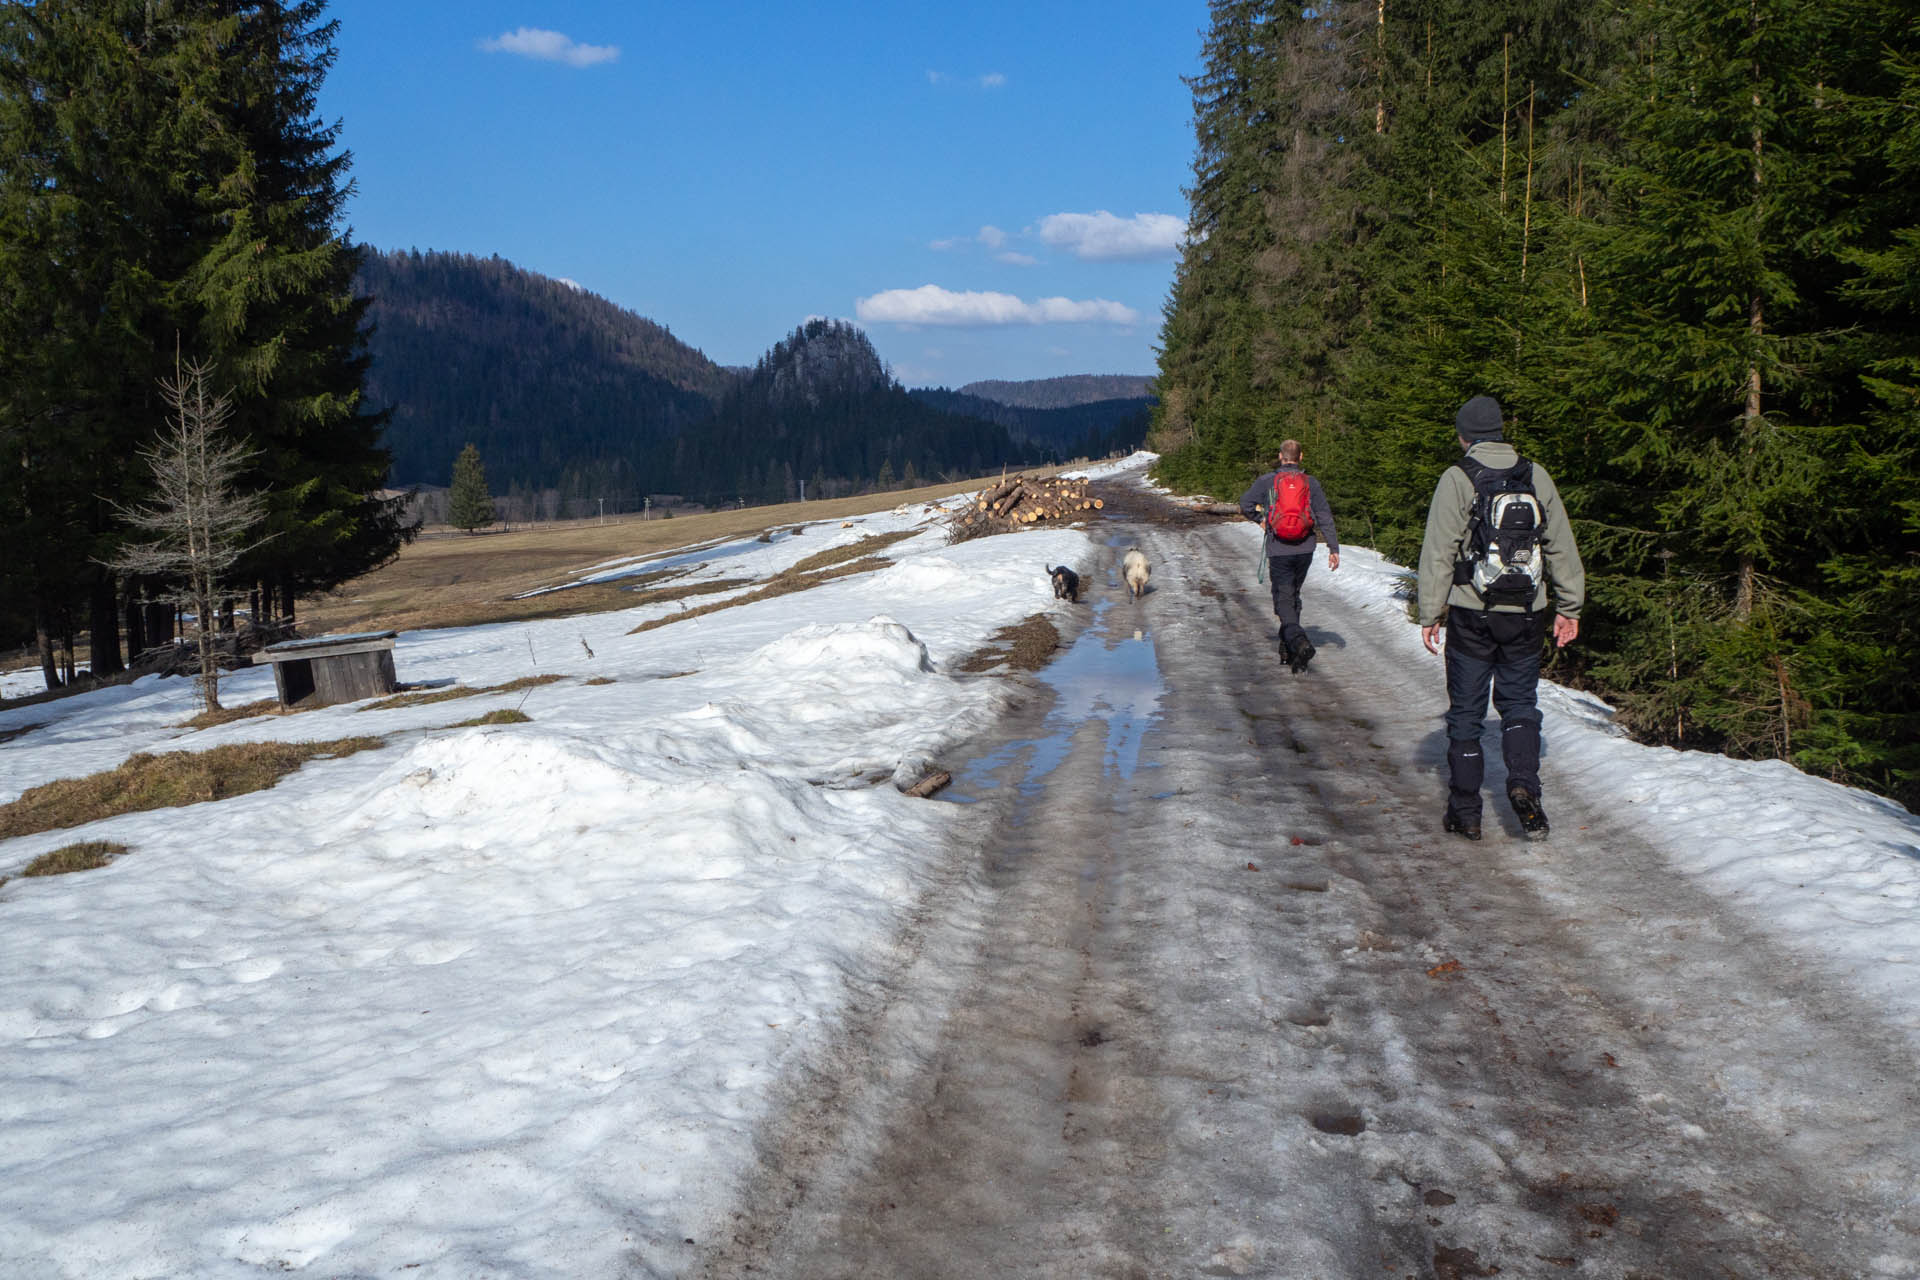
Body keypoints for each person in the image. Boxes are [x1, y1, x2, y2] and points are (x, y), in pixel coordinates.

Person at [1418, 396, 1584, 840]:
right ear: (1501, 431)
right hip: (1527, 614)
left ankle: (1466, 812)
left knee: (1467, 715)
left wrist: (1431, 612)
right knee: (1519, 704)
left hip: (1473, 613)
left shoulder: (1457, 477)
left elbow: (1439, 551)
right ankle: (1524, 785)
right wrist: (1570, 607)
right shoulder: (1535, 474)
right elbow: (1560, 546)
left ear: (1463, 435)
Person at [1240, 440, 1340, 673]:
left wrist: (1261, 520)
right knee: (1293, 594)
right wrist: (1333, 548)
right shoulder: (1310, 483)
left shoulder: (1268, 481)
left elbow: (1245, 504)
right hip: (1305, 548)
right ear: (1301, 457)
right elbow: (1324, 515)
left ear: (1280, 456)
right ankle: (1288, 649)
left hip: (1279, 549)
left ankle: (1298, 641)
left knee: (1283, 598)